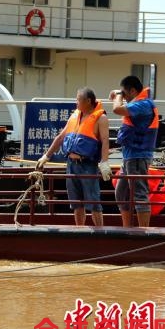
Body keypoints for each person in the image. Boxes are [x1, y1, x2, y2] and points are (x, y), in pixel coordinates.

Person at [36, 87, 111, 226]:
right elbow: (60, 137)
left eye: (78, 99)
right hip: (71, 164)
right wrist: (46, 156)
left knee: (94, 203)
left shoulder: (101, 118)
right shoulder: (75, 115)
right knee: (76, 203)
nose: (76, 102)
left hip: (88, 165)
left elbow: (105, 140)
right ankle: (79, 230)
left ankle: (100, 233)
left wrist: (104, 162)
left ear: (88, 101)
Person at [109, 76, 159, 227]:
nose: (123, 96)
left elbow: (117, 109)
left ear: (132, 90)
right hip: (129, 156)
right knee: (121, 193)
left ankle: (145, 233)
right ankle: (126, 228)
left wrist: (118, 95)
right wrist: (119, 94)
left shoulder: (143, 105)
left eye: (125, 93)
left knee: (139, 194)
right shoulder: (137, 104)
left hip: (138, 156)